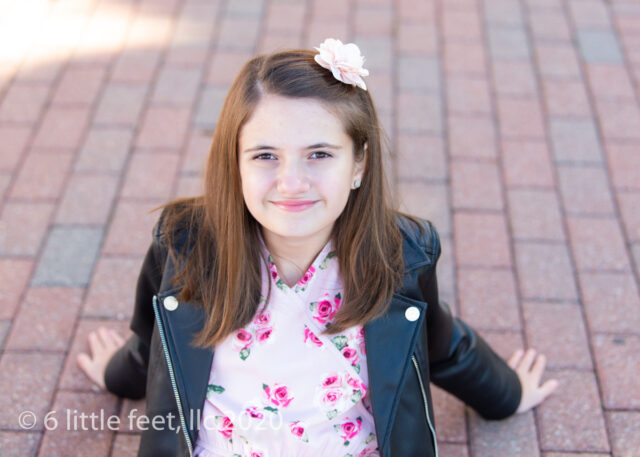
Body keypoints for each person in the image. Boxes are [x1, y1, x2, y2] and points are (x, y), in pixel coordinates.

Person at [77, 39, 558, 457]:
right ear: (236, 162)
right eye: (266, 155)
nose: (292, 182)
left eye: (320, 154)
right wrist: (117, 376)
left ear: (359, 164)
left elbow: (438, 342)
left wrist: (506, 394)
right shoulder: (186, 243)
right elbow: (155, 338)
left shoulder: (399, 256)